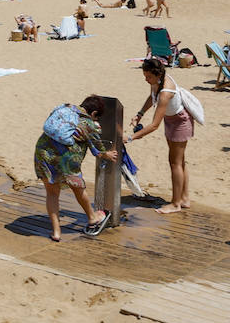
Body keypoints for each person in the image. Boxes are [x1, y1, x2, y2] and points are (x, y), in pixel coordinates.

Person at [33, 95, 118, 241]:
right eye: (97, 118)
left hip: (43, 152)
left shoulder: (65, 108)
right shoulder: (89, 124)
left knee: (52, 193)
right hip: (67, 159)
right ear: (94, 114)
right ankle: (92, 217)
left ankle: (56, 232)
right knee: (78, 189)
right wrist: (107, 154)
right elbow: (97, 149)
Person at [126, 57, 192, 214]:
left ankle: (176, 204)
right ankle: (184, 198)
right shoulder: (157, 81)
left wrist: (131, 138)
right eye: (145, 76)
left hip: (180, 122)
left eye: (148, 76)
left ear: (157, 74)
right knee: (179, 160)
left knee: (175, 163)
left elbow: (154, 125)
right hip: (171, 120)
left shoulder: (166, 92)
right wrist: (139, 114)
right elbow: (151, 97)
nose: (146, 79)